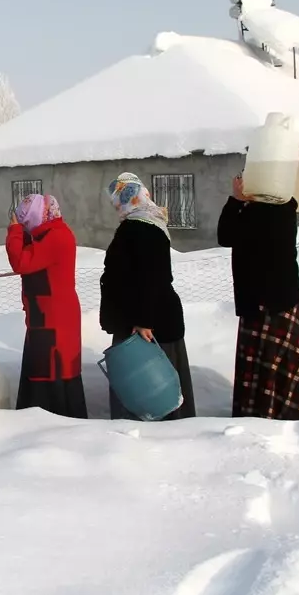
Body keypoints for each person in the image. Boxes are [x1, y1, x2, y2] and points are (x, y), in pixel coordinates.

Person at [218, 175, 299, 420]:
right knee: (263, 361)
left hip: (273, 301)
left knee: (275, 361)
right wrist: (238, 202)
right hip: (260, 300)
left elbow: (231, 234)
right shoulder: (256, 209)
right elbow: (224, 237)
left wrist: (238, 202)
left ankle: (278, 412)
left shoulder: (278, 209)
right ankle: (264, 411)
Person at [100, 173, 196, 420]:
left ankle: (154, 441)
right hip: (143, 319)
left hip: (145, 327)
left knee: (151, 387)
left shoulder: (140, 228)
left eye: (117, 198)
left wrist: (144, 321)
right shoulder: (145, 222)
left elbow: (152, 277)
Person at [6, 194, 87, 419]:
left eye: (26, 220)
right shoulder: (49, 234)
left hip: (54, 321)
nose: (24, 225)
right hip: (47, 318)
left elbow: (22, 262)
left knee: (52, 374)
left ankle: (51, 425)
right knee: (44, 371)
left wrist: (14, 232)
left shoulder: (56, 237)